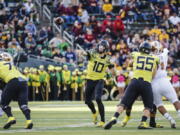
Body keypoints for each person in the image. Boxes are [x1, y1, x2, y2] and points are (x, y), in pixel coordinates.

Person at [104, 42, 159, 130]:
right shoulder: (155, 58)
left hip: (134, 82)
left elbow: (130, 62)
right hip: (146, 83)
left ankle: (114, 117)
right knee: (148, 106)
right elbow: (154, 74)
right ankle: (143, 122)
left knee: (123, 103)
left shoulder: (136, 55)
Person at [81, 40, 116, 127]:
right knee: (87, 101)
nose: (100, 47)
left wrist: (111, 74)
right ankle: (94, 113)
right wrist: (82, 53)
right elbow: (84, 53)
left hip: (99, 80)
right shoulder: (93, 53)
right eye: (100, 45)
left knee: (98, 99)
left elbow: (112, 70)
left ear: (106, 48)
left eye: (102, 46)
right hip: (89, 79)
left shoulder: (108, 58)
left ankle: (103, 121)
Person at [0, 52, 33, 129]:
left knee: (3, 103)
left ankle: (11, 118)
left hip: (12, 81)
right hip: (23, 81)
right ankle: (29, 121)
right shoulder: (10, 64)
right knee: (23, 104)